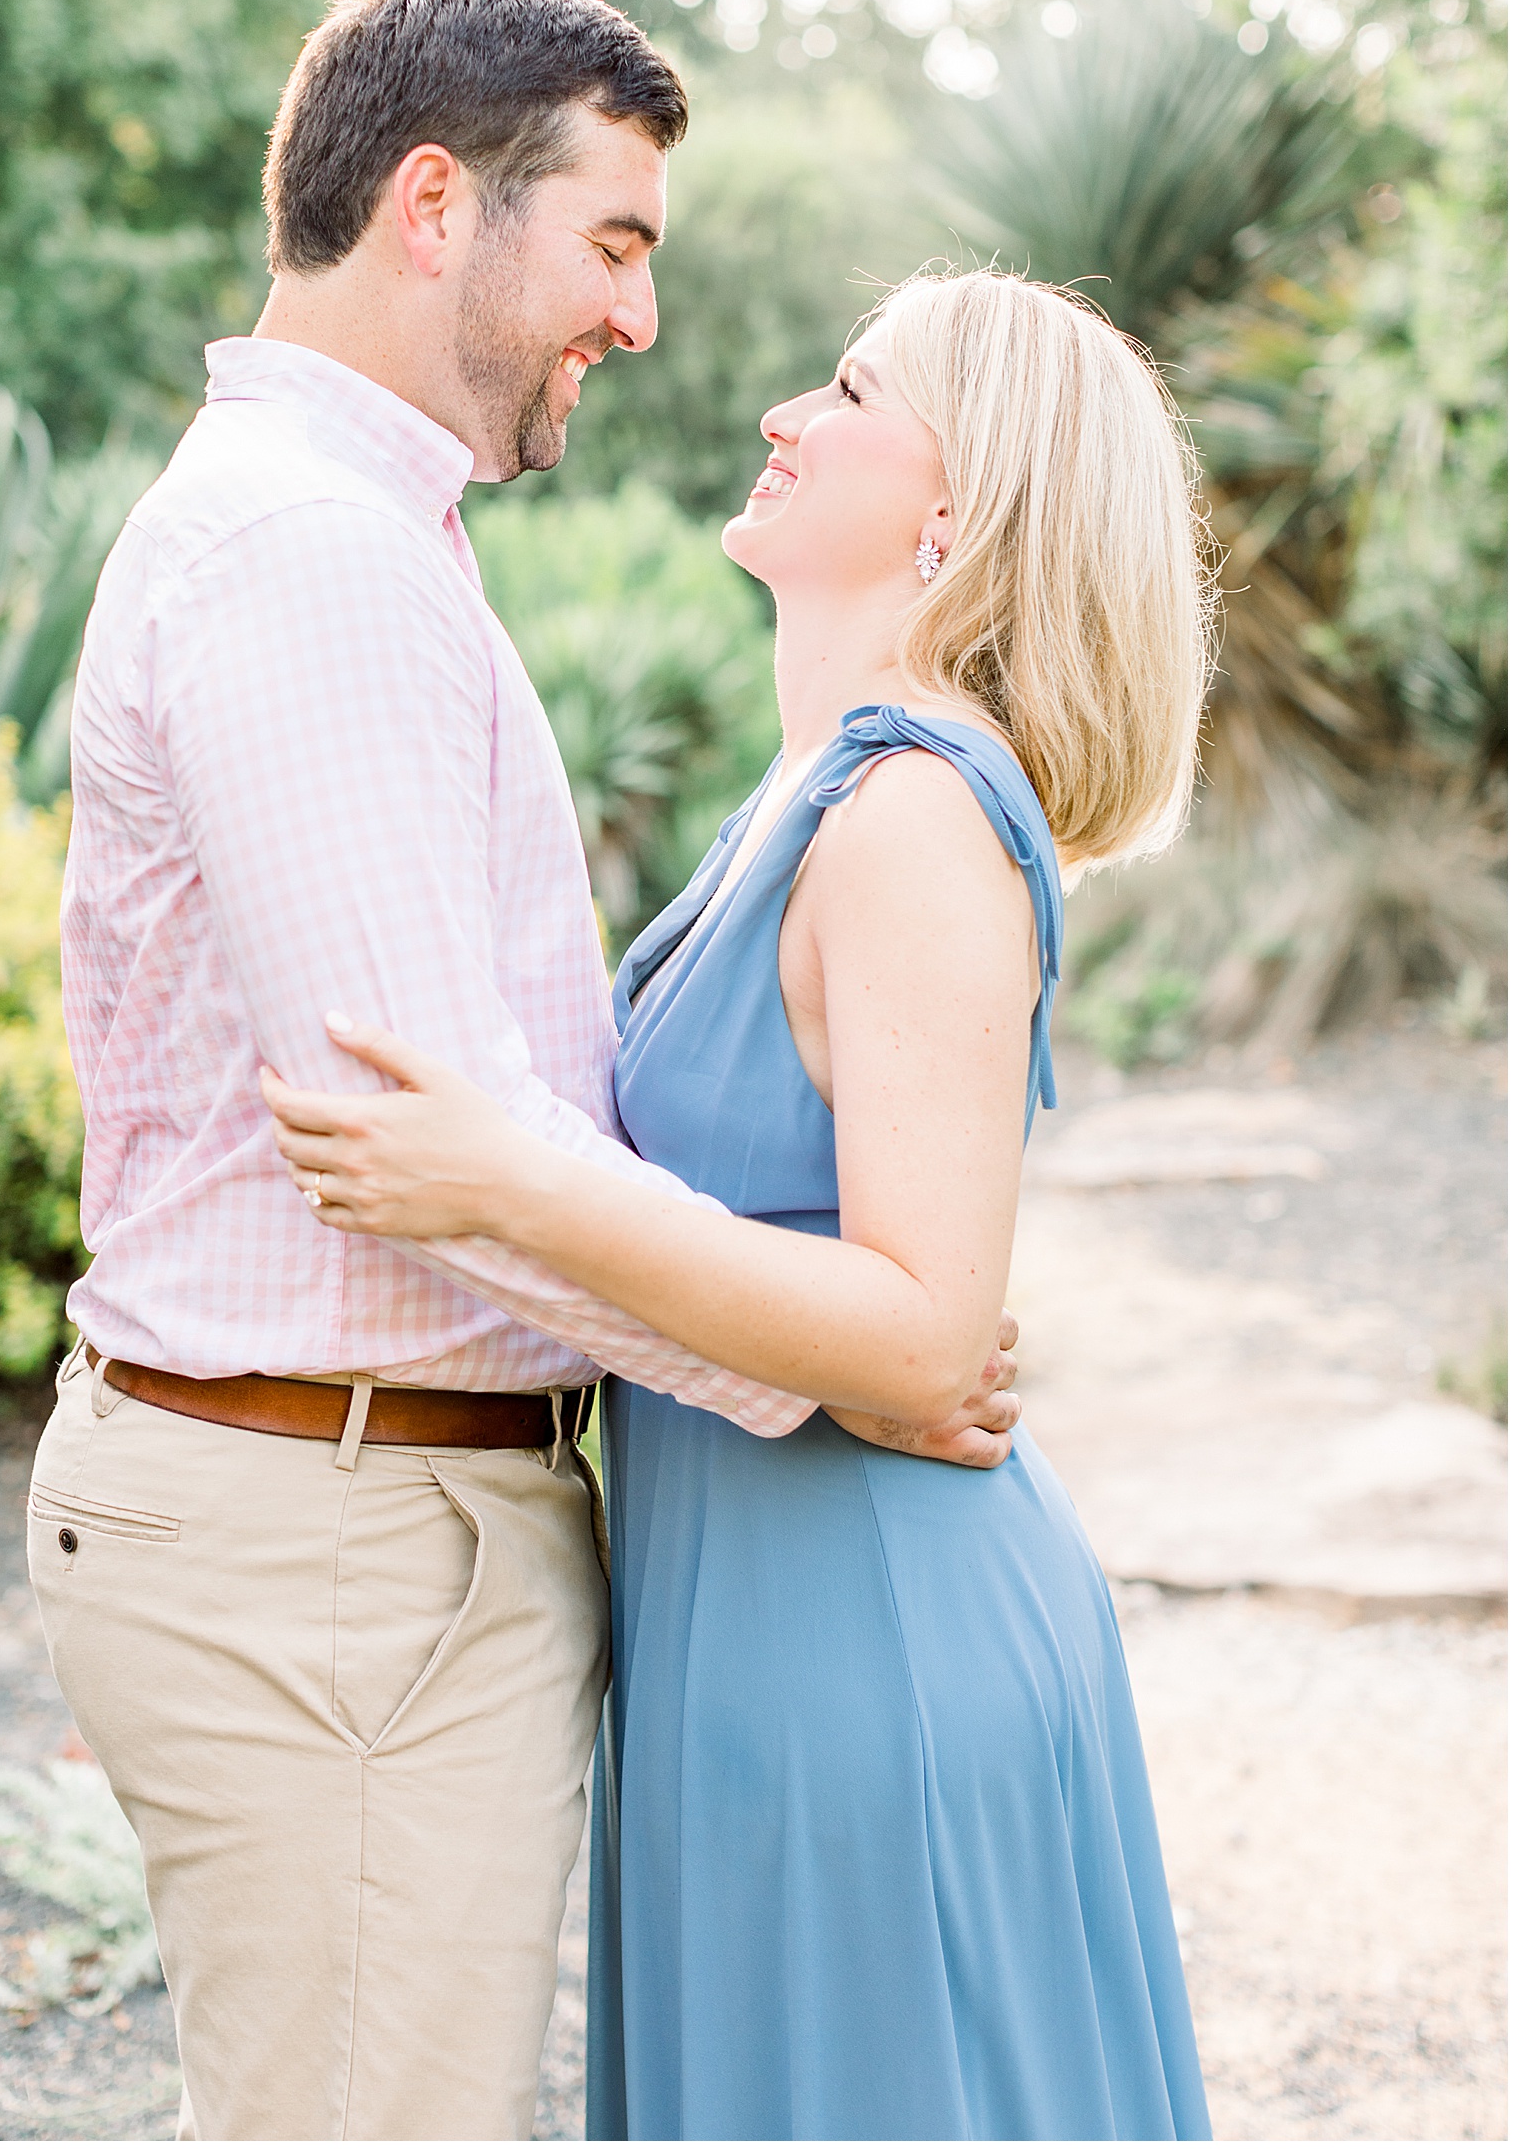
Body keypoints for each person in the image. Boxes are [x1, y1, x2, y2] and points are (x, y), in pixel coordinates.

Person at [30, 0, 1020, 2144]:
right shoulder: (315, 554)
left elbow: (479, 1142)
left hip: (357, 1521)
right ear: (429, 206)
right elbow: (427, 1148)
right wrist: (853, 1361)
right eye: (614, 241)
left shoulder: (356, 536)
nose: (642, 319)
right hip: (336, 1540)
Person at [264, 268, 1218, 2141]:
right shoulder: (804, 799)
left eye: (848, 389)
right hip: (744, 1634)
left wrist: (507, 1184)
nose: (787, 409)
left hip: (868, 1654)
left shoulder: (918, 821)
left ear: (953, 514)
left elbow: (931, 1327)